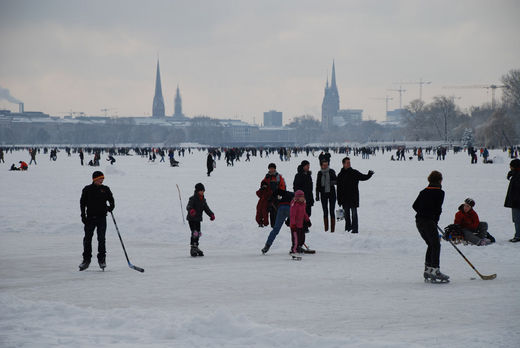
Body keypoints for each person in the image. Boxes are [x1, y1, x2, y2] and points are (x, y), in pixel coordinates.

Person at [412, 170, 449, 283]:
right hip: (428, 221)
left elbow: (415, 206)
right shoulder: (440, 192)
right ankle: (435, 270)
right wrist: (433, 219)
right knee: (436, 244)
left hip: (419, 221)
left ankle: (428, 269)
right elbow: (438, 209)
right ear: (440, 180)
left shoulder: (423, 191)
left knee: (431, 244)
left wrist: (424, 213)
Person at [79, 171, 115, 271]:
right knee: (87, 239)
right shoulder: (87, 189)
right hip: (90, 218)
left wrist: (111, 207)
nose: (102, 180)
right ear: (94, 179)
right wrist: (83, 215)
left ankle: (102, 259)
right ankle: (86, 260)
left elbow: (111, 200)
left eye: (102, 179)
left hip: (102, 218)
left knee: (102, 239)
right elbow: (82, 203)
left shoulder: (105, 189)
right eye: (100, 179)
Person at [336, 157, 374, 234]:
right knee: (346, 215)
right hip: (344, 198)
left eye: (349, 162)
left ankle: (355, 229)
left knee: (354, 214)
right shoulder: (340, 175)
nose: (349, 164)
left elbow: (363, 177)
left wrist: (369, 174)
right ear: (343, 164)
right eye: (347, 163)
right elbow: (339, 189)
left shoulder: (354, 172)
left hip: (353, 197)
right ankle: (348, 228)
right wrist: (339, 200)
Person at [261, 188, 294, 254]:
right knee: (294, 229)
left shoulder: (286, 193)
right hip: (289, 208)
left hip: (281, 208)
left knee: (275, 229)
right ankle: (295, 246)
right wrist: (289, 220)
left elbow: (276, 190)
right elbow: (295, 209)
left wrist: (271, 198)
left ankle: (267, 246)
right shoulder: (297, 196)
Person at [186, 183, 215, 257]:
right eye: (201, 191)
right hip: (192, 219)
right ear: (197, 191)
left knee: (198, 233)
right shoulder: (193, 198)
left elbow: (206, 209)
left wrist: (211, 214)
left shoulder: (203, 200)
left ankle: (196, 246)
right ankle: (193, 247)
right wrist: (191, 210)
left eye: (203, 191)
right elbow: (188, 206)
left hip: (198, 219)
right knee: (194, 232)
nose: (202, 192)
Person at [262, 163, 286, 228]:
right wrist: (263, 186)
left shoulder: (278, 176)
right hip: (269, 196)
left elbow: (282, 185)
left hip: (277, 196)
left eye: (273, 168)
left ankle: (277, 224)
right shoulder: (267, 176)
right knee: (270, 210)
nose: (271, 169)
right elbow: (263, 183)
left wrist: (281, 193)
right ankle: (273, 225)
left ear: (275, 169)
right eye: (270, 168)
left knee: (277, 210)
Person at [293, 160, 314, 232]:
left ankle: (304, 226)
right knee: (302, 213)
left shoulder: (308, 175)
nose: (308, 167)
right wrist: (298, 197)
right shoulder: (298, 175)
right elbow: (296, 187)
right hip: (301, 198)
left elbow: (310, 188)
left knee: (308, 213)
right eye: (307, 165)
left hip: (309, 196)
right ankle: (303, 227)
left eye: (309, 165)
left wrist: (311, 198)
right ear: (303, 166)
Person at [316, 160, 337, 232]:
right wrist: (317, 195)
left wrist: (331, 182)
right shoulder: (320, 173)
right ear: (321, 166)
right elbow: (318, 184)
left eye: (327, 165)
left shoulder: (331, 171)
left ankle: (332, 230)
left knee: (332, 211)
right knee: (325, 211)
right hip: (323, 194)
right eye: (324, 165)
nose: (325, 166)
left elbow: (336, 181)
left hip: (332, 194)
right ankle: (326, 229)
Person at [289, 190, 311, 257]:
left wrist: (307, 220)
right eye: (301, 197)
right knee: (295, 239)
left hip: (300, 224)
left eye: (303, 196)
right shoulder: (294, 205)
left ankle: (299, 247)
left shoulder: (303, 204)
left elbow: (304, 213)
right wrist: (293, 224)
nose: (303, 198)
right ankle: (294, 249)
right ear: (297, 197)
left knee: (302, 237)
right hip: (294, 225)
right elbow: (292, 215)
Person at [505, 159, 520, 242]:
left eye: (511, 166)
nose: (510, 167)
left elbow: (516, 189)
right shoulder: (515, 174)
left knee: (517, 219)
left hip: (516, 202)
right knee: (516, 219)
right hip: (515, 201)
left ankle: (518, 236)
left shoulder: (517, 176)